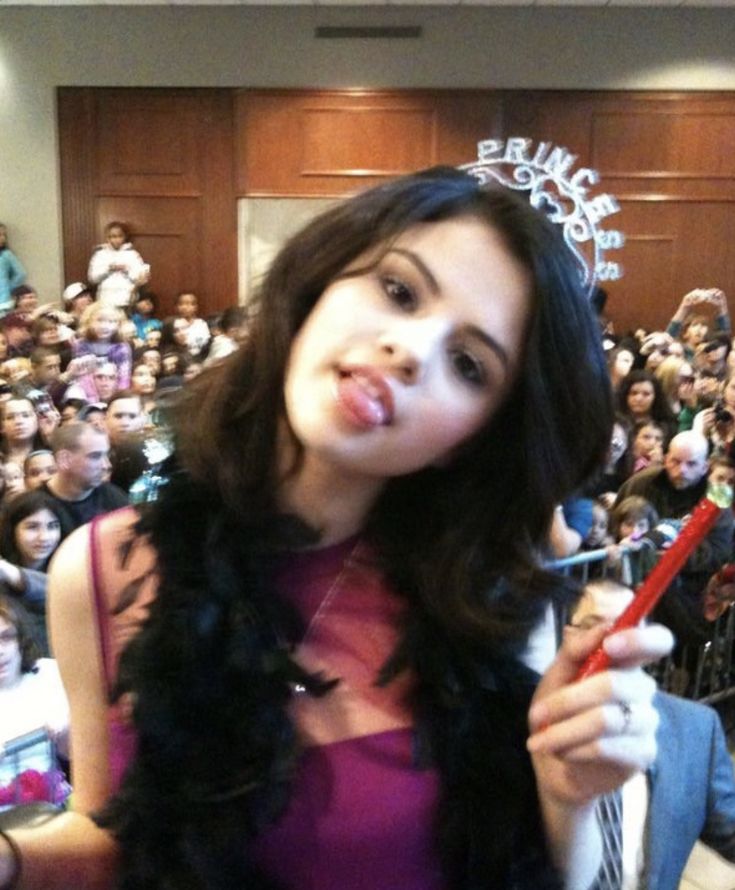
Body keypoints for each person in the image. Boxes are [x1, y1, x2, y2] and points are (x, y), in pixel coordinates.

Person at [0, 169, 672, 890]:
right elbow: (114, 845)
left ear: (466, 439)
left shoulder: (486, 595)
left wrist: (569, 793)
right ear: (321, 282)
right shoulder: (105, 568)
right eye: (398, 291)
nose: (411, 350)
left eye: (469, 364)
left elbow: (538, 872)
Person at [570, 580, 735, 890]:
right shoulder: (526, 729)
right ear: (566, 639)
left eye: (630, 629)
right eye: (593, 627)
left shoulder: (696, 731)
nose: (613, 645)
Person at [615, 430, 734, 644]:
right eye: (675, 462)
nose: (681, 471)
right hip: (633, 575)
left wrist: (674, 557)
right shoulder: (641, 484)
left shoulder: (717, 498)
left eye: (691, 464)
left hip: (687, 584)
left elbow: (719, 550)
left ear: (705, 467)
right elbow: (615, 521)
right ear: (666, 458)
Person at [0, 595, 70, 810]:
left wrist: (64, 729)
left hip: (52, 808)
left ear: (20, 639)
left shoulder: (48, 674)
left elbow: (73, 755)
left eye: (6, 638)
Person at [0, 489, 64, 653]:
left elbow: (63, 590)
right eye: (32, 527)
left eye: (52, 526)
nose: (44, 537)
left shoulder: (71, 567)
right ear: (13, 530)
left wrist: (11, 573)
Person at [42, 422, 127, 539]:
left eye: (106, 455)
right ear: (64, 460)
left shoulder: (115, 499)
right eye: (95, 456)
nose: (106, 465)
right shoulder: (33, 507)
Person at [71, 304, 132, 402]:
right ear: (89, 322)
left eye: (111, 322)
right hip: (86, 394)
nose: (105, 326)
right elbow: (83, 376)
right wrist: (92, 400)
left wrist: (119, 399)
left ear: (118, 325)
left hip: (113, 393)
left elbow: (123, 377)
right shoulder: (81, 345)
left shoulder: (121, 347)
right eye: (99, 320)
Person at [87, 222, 149, 311]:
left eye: (119, 236)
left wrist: (126, 270)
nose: (116, 240)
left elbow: (141, 279)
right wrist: (108, 269)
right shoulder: (100, 254)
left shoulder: (133, 255)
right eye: (112, 236)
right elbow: (92, 278)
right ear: (107, 238)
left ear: (125, 237)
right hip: (105, 301)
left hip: (126, 301)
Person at [0, 225, 27, 317]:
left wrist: (9, 287)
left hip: (4, 303)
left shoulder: (6, 255)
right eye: (0, 235)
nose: (2, 238)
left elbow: (21, 274)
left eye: (4, 235)